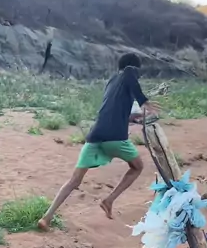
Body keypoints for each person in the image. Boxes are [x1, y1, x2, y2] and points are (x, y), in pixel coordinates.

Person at [38, 53, 160, 227]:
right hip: (115, 137)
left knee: (74, 180)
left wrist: (132, 117)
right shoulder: (128, 74)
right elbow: (129, 73)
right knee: (137, 167)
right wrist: (144, 101)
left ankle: (46, 217)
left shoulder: (111, 82)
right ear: (133, 68)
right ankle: (109, 200)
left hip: (95, 136)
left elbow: (113, 112)